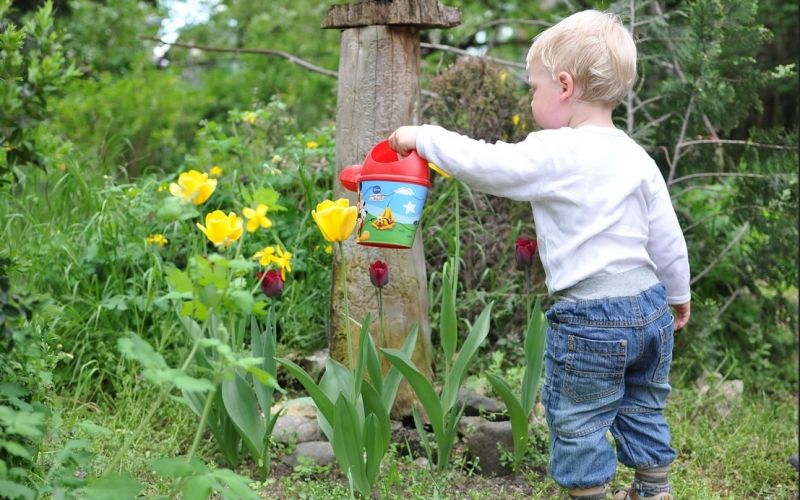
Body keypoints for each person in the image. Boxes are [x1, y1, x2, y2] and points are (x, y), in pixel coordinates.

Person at [388, 9, 690, 500]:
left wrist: (422, 137)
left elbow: (486, 163)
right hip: (649, 307)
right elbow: (667, 236)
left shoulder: (556, 150)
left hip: (591, 316)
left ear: (564, 86)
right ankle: (655, 489)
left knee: (579, 417)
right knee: (643, 406)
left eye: (534, 87)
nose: (531, 98)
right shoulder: (636, 156)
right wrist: (678, 294)